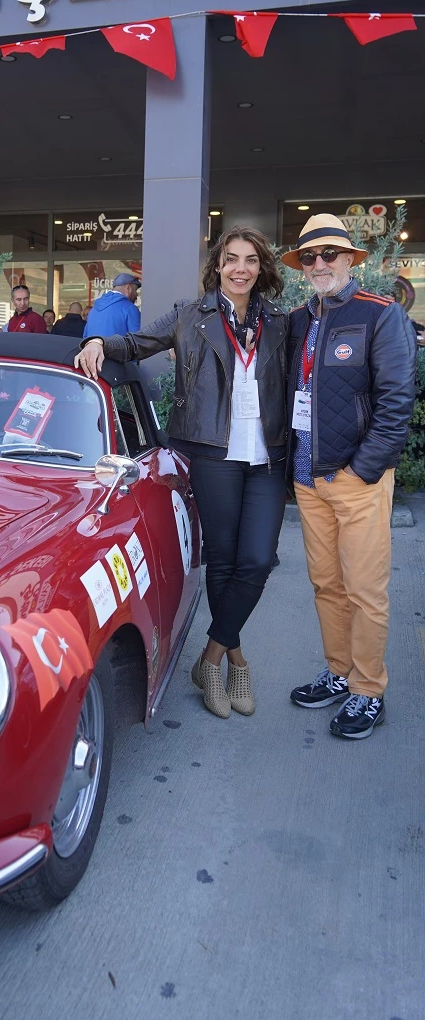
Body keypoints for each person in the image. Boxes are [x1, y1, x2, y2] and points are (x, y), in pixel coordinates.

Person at [76, 226, 289, 720]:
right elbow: (135, 342)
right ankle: (233, 662)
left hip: (266, 456)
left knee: (257, 560)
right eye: (231, 259)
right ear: (217, 266)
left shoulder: (279, 321)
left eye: (250, 260)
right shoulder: (189, 315)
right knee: (223, 559)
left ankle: (210, 656)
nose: (240, 269)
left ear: (261, 268)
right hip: (214, 454)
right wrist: (96, 342)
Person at [285, 215, 417, 739]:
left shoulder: (382, 316)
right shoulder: (299, 319)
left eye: (329, 255)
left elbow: (397, 402)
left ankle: (368, 690)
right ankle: (339, 673)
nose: (320, 265)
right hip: (307, 478)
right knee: (327, 585)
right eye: (310, 258)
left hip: (356, 479)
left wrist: (364, 470)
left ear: (350, 259)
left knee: (365, 590)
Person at [83, 273, 141, 339]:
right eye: (135, 290)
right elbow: (137, 341)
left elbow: (85, 338)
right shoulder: (130, 309)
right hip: (118, 349)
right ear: (128, 288)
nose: (136, 294)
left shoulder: (93, 310)